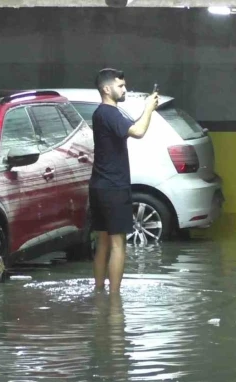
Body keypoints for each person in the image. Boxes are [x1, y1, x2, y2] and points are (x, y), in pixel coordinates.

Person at [89, 68, 159, 293]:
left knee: (103, 242)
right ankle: (115, 300)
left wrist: (145, 109)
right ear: (106, 89)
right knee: (119, 245)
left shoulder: (102, 114)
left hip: (99, 186)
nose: (124, 89)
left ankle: (99, 292)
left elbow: (130, 125)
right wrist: (149, 108)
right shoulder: (110, 114)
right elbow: (138, 131)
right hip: (114, 187)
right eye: (120, 86)